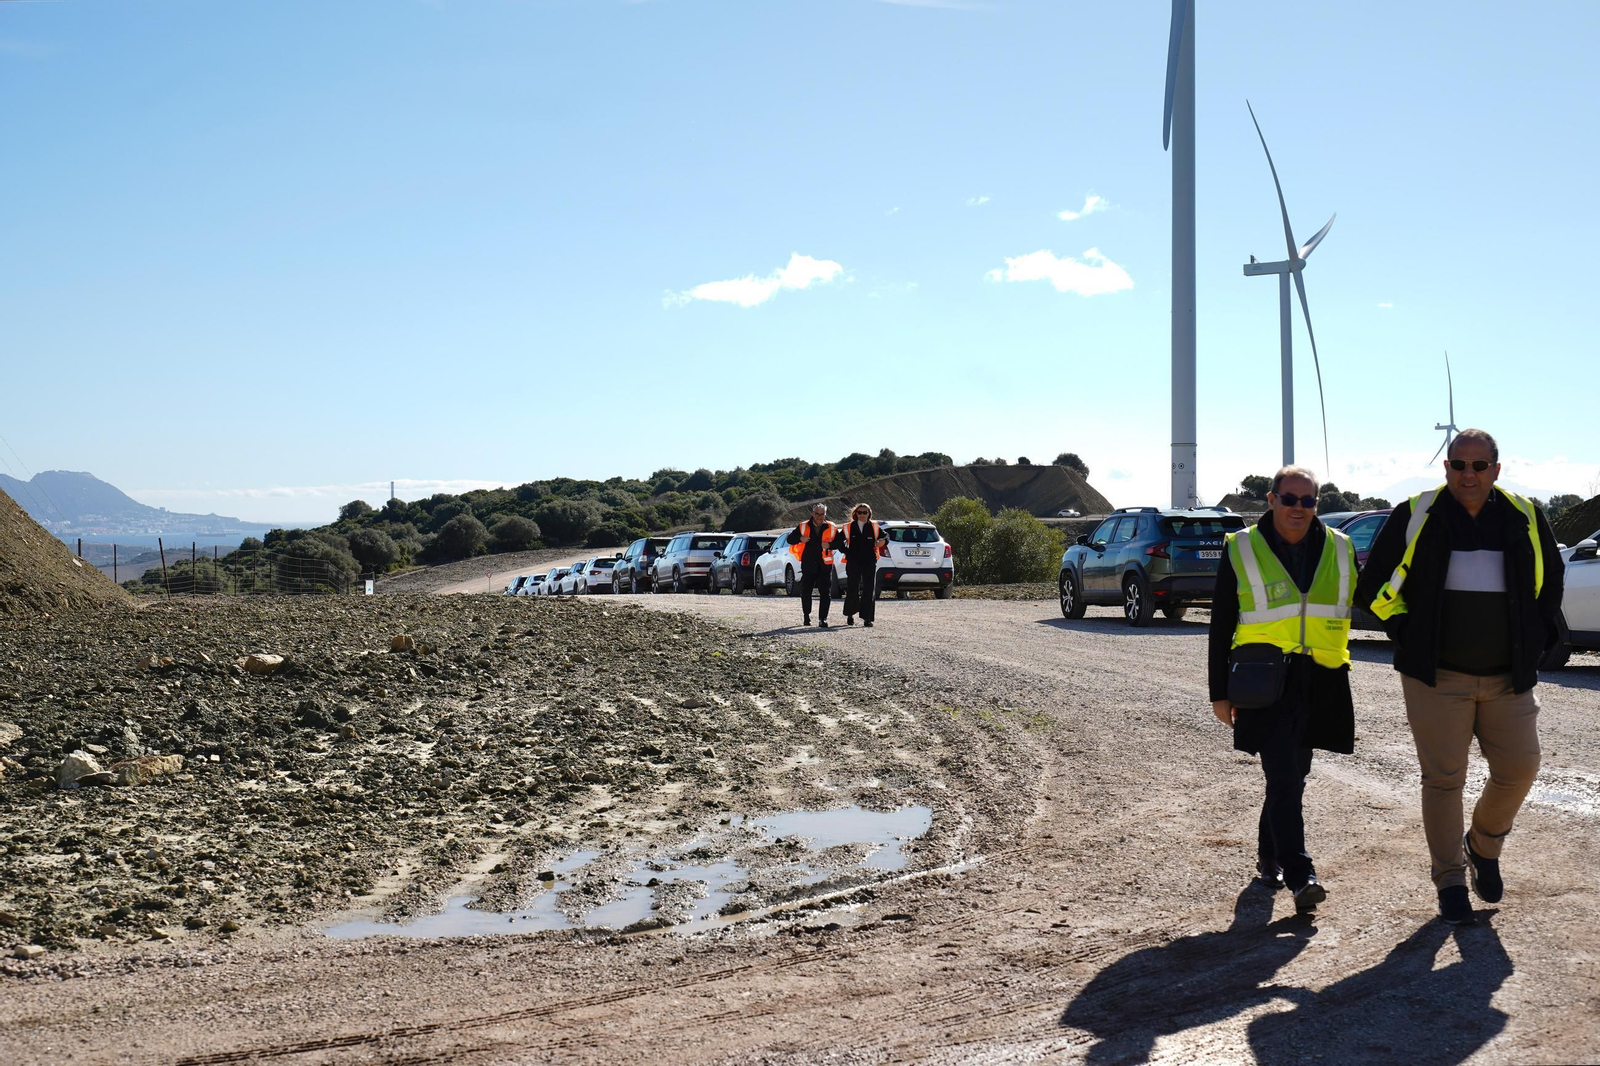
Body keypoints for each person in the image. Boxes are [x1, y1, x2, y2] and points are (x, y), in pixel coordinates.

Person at [1355, 428, 1564, 926]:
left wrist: (1533, 640)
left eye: (1478, 465)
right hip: (1435, 677)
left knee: (1520, 768)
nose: (1467, 474)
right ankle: (1449, 880)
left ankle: (1483, 846)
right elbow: (1371, 586)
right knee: (1444, 781)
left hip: (1507, 677)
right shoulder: (1417, 514)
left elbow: (1550, 581)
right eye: (1457, 464)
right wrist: (1405, 629)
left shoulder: (1524, 515)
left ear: (1496, 468)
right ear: (1445, 467)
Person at [1209, 465, 1357, 914]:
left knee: (1295, 774)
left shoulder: (1340, 547)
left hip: (1320, 676)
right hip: (1263, 679)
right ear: (1271, 499)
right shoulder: (1243, 547)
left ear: (1317, 504)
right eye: (1289, 499)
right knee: (1284, 777)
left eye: (1308, 501)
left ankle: (1269, 855)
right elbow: (1220, 625)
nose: (1298, 508)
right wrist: (1220, 692)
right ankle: (1300, 873)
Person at [785, 503, 839, 627]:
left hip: (825, 565)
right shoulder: (803, 526)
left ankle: (823, 619)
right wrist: (800, 538)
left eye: (822, 514)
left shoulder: (832, 527)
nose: (819, 517)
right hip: (808, 564)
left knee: (825, 592)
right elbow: (790, 539)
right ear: (812, 513)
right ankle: (806, 616)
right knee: (806, 591)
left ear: (825, 514)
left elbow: (839, 542)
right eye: (817, 514)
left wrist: (830, 545)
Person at [837, 502, 888, 627]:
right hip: (853, 562)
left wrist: (883, 541)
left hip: (869, 561)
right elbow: (838, 541)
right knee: (852, 588)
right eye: (860, 512)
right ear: (856, 513)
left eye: (865, 512)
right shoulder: (848, 527)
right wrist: (847, 552)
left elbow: (886, 536)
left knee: (869, 589)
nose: (862, 515)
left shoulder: (874, 527)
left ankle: (867, 618)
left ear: (869, 514)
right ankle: (850, 614)